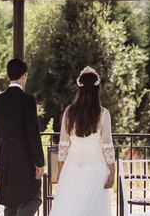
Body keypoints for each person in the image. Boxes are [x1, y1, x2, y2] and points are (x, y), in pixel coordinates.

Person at [49, 66, 115, 216]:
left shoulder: (69, 112)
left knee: (69, 210)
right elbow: (107, 145)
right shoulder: (103, 114)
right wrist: (112, 171)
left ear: (79, 89)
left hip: (72, 167)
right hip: (97, 168)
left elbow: (64, 144)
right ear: (97, 89)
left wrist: (61, 170)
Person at [0, 59, 45, 216]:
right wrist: (40, 162)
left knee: (10, 200)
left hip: (4, 156)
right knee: (34, 196)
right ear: (24, 76)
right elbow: (32, 133)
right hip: (25, 155)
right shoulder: (28, 100)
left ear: (9, 76)